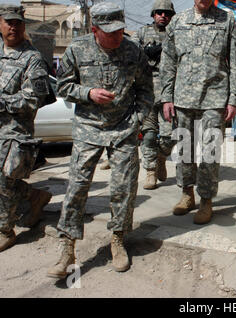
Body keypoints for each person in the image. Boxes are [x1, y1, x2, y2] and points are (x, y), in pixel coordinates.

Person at [47, 2, 154, 278]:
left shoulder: (134, 51)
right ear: (94, 30)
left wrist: (136, 121)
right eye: (110, 32)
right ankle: (67, 248)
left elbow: (145, 90)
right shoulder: (76, 50)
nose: (117, 36)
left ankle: (118, 239)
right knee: (77, 188)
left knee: (124, 188)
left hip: (123, 129)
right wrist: (88, 93)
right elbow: (64, 86)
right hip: (88, 129)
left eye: (120, 30)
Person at [160, 0, 236, 225]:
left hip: (215, 97)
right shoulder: (177, 22)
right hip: (182, 98)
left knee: (210, 151)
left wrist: (234, 98)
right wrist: (166, 96)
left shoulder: (227, 21)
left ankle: (206, 200)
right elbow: (167, 61)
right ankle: (187, 194)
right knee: (185, 149)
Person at [0, 4, 54, 252]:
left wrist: (3, 102)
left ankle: (5, 231)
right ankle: (34, 197)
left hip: (15, 133)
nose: (13, 27)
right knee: (5, 184)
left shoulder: (32, 58)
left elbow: (33, 99)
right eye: (8, 22)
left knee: (4, 181)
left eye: (18, 23)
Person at [132, 0, 176, 190]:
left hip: (169, 93)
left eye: (167, 13)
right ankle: (150, 171)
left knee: (169, 137)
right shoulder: (142, 33)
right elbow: (130, 53)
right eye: (159, 12)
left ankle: (161, 157)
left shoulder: (176, 34)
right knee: (149, 136)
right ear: (153, 15)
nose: (163, 16)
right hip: (146, 92)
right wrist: (144, 52)